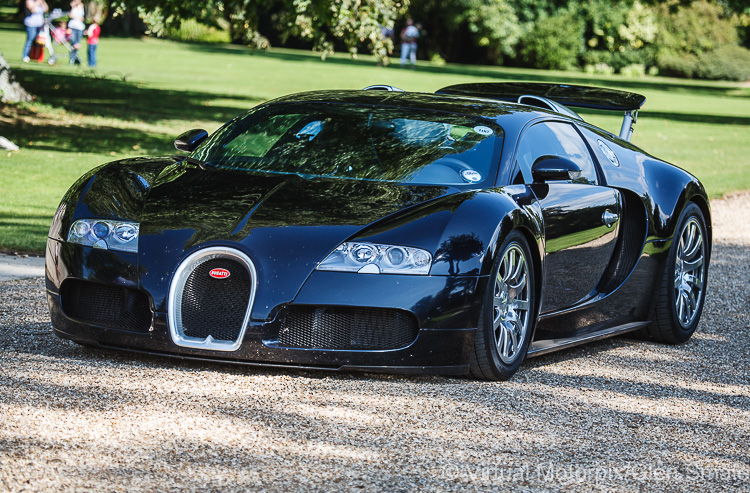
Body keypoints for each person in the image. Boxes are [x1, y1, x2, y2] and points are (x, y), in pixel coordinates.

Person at [67, 0, 85, 64]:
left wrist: (77, 17)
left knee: (77, 44)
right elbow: (70, 15)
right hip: (72, 27)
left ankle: (75, 57)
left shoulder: (82, 6)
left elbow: (83, 18)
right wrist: (73, 7)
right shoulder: (73, 6)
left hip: (80, 28)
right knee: (73, 42)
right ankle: (72, 58)